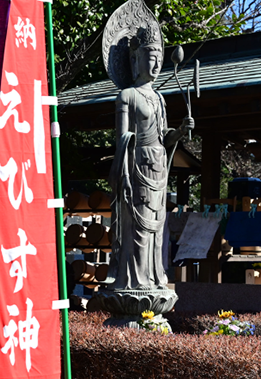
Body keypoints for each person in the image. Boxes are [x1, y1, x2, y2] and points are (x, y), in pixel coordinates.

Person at [107, 25, 194, 290]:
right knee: (138, 230)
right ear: (135, 59)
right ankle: (133, 280)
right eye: (151, 57)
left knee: (158, 230)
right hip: (136, 168)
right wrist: (127, 167)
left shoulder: (159, 99)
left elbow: (163, 137)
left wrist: (180, 131)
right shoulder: (127, 96)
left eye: (159, 58)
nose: (156, 64)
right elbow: (123, 137)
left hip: (158, 169)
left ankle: (155, 277)